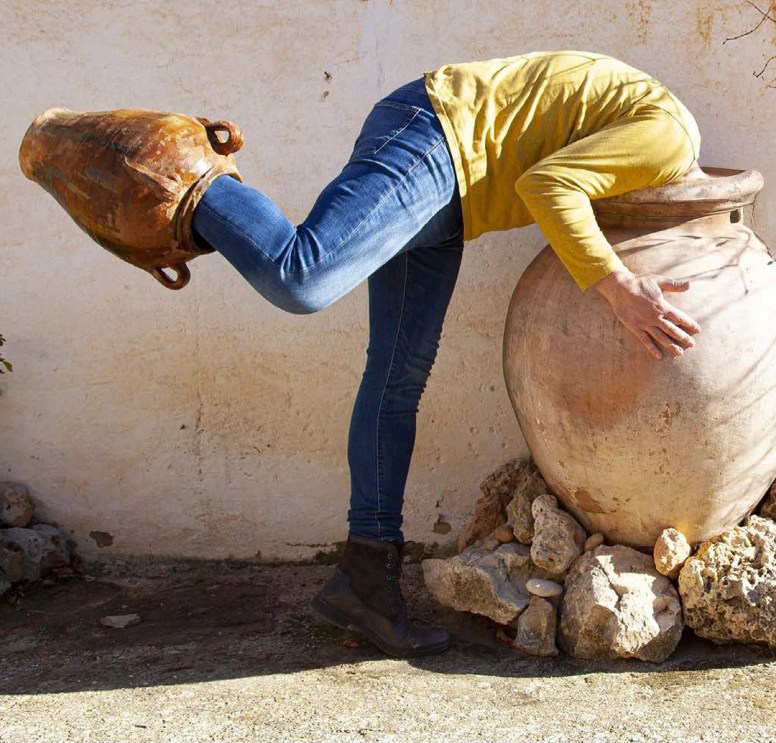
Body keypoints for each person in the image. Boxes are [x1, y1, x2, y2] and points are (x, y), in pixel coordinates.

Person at [24, 50, 706, 659]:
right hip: (435, 133)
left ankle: (364, 579)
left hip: (458, 191)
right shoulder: (672, 141)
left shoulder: (649, 133)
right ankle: (183, 169)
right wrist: (622, 288)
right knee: (302, 276)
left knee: (397, 381)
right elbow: (550, 187)